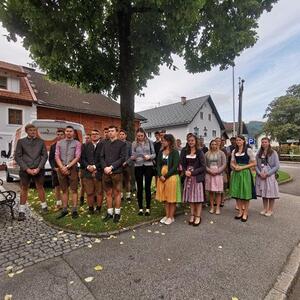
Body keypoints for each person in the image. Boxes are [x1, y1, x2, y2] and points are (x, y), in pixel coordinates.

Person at [15, 123, 48, 221]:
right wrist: (27, 169)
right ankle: (21, 211)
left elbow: (44, 156)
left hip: (39, 169)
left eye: (34, 130)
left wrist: (39, 168)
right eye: (31, 130)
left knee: (40, 187)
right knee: (24, 189)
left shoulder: (41, 142)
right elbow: (18, 156)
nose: (33, 132)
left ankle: (44, 207)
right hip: (25, 170)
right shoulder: (21, 142)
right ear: (26, 131)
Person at [101, 125, 126, 223]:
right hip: (106, 172)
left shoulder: (121, 144)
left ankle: (117, 213)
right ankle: (110, 212)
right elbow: (101, 157)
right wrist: (105, 168)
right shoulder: (105, 144)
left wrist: (111, 167)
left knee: (117, 193)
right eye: (109, 131)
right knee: (108, 193)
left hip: (116, 172)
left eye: (112, 131)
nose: (110, 132)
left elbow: (122, 158)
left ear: (116, 132)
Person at [55, 126, 82, 219]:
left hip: (72, 168)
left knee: (74, 190)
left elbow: (77, 156)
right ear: (65, 132)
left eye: (71, 131)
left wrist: (68, 167)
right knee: (64, 190)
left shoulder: (77, 143)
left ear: (73, 133)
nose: (69, 133)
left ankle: (74, 209)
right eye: (67, 131)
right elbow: (56, 156)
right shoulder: (59, 143)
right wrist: (62, 167)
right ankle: (64, 209)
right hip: (61, 168)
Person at [230, 135, 256, 222]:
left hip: (245, 173)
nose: (238, 142)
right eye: (237, 140)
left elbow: (254, 163)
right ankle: (240, 212)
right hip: (237, 173)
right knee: (237, 193)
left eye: (240, 140)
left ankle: (245, 213)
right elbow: (232, 162)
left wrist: (242, 167)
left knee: (245, 193)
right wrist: (235, 166)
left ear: (244, 141)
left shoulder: (248, 150)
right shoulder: (234, 151)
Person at [156, 134, 181, 225]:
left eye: (164, 141)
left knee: (171, 198)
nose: (163, 142)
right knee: (165, 198)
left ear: (170, 141)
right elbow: (158, 164)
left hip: (171, 177)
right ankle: (167, 215)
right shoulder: (161, 152)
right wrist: (159, 175)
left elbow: (175, 167)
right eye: (162, 141)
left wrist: (165, 176)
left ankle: (171, 217)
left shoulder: (175, 152)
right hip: (161, 177)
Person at [180, 134, 205, 226]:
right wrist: (185, 171)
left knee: (198, 199)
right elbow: (182, 164)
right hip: (188, 177)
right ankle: (192, 215)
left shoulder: (199, 152)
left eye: (192, 140)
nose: (191, 142)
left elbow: (203, 167)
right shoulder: (185, 151)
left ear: (195, 141)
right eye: (189, 140)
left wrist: (193, 172)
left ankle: (198, 216)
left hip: (197, 178)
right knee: (191, 198)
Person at [131, 128, 156, 216]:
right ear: (136, 136)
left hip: (148, 166)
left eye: (141, 136)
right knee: (140, 188)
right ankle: (141, 208)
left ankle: (148, 208)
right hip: (138, 166)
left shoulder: (149, 142)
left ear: (144, 135)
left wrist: (149, 157)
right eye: (138, 136)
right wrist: (133, 157)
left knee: (148, 187)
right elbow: (132, 154)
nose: (140, 137)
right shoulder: (134, 143)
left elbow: (154, 154)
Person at [80, 129, 104, 214]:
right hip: (87, 172)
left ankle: (98, 208)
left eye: (96, 134)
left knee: (99, 192)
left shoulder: (103, 145)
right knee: (89, 192)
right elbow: (82, 159)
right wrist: (87, 166)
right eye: (93, 134)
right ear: (90, 136)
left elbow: (104, 159)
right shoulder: (85, 145)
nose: (94, 135)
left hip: (99, 172)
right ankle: (90, 208)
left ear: (99, 135)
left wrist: (94, 167)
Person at [255, 137, 280, 217]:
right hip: (261, 175)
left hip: (270, 176)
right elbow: (255, 165)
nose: (264, 143)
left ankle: (270, 210)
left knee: (271, 192)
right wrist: (259, 173)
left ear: (269, 143)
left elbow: (276, 166)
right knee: (264, 193)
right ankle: (265, 208)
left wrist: (267, 174)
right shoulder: (259, 153)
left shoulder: (273, 153)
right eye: (262, 142)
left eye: (265, 142)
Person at [205, 140, 227, 215]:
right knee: (211, 191)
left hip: (218, 173)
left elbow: (224, 164)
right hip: (209, 174)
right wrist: (209, 171)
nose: (214, 145)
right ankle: (212, 207)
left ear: (217, 145)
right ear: (210, 145)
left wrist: (218, 171)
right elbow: (204, 164)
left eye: (215, 144)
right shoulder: (207, 153)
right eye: (212, 144)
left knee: (218, 192)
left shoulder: (221, 153)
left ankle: (217, 207)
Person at [49, 129, 65, 209]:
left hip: (65, 169)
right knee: (57, 186)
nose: (59, 136)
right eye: (58, 134)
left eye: (61, 134)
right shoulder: (53, 146)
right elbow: (51, 158)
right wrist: (53, 167)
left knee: (65, 187)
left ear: (64, 135)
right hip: (56, 169)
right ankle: (58, 203)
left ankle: (65, 203)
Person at [119, 129, 133, 201]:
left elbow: (132, 155)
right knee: (120, 181)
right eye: (120, 134)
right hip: (119, 165)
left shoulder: (129, 144)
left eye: (123, 134)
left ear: (126, 135)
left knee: (128, 180)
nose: (121, 136)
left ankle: (128, 195)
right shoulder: (117, 143)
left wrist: (127, 162)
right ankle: (121, 196)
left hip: (127, 165)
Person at [79, 134, 91, 206]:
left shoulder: (92, 146)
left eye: (88, 138)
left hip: (91, 168)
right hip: (83, 168)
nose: (86, 139)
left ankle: (94, 198)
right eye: (85, 138)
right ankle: (81, 199)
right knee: (83, 185)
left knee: (92, 185)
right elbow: (79, 157)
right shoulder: (81, 146)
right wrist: (85, 165)